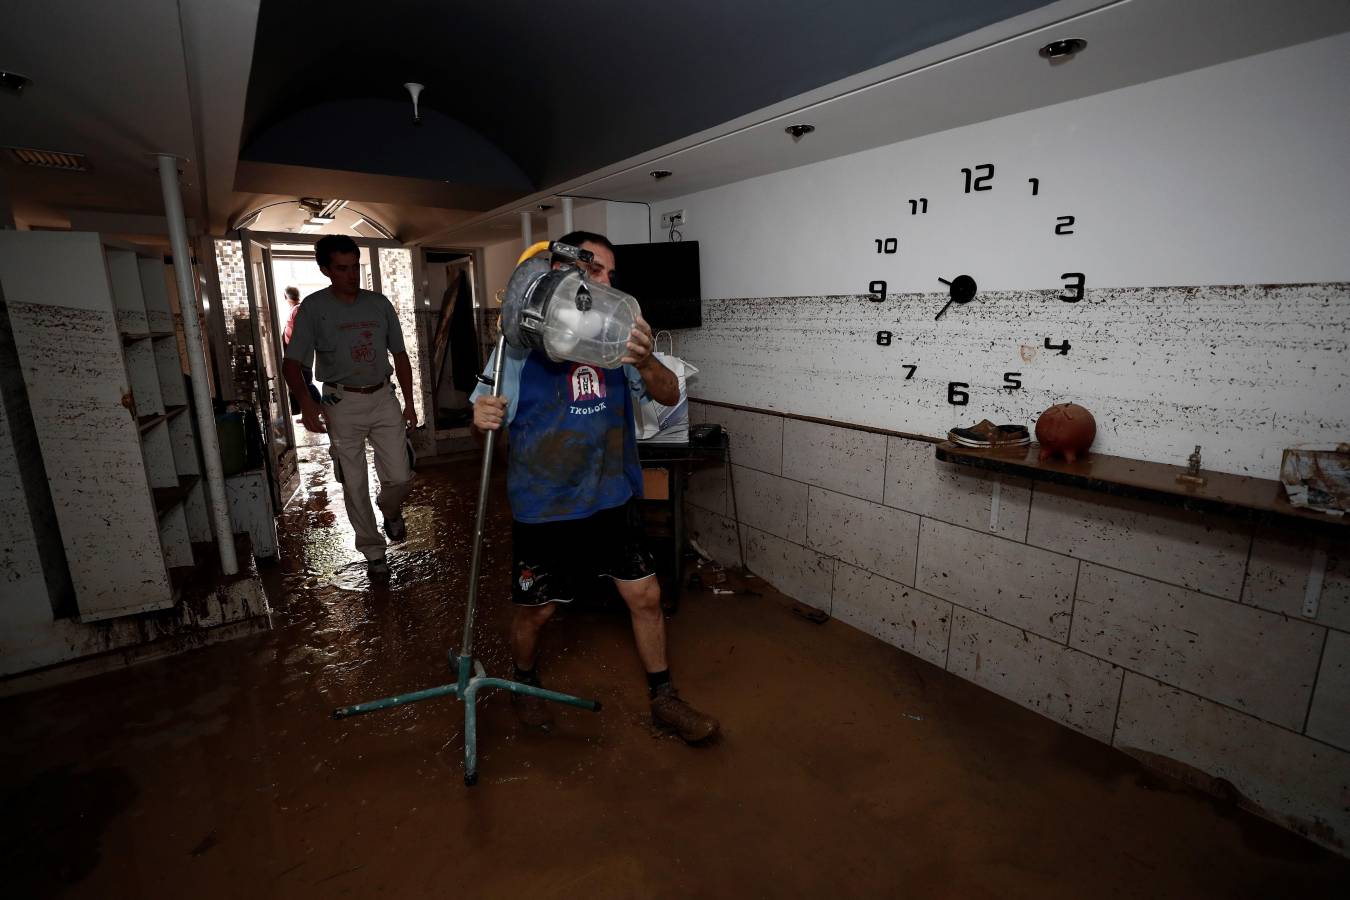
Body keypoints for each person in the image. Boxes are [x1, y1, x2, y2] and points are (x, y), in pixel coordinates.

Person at [471, 231, 719, 743]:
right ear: (564, 272)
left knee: (646, 596)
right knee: (537, 611)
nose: (608, 282)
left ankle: (664, 698)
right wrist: (483, 413)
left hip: (613, 495)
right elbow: (485, 409)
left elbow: (669, 394)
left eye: (611, 273)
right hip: (546, 505)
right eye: (597, 271)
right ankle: (525, 682)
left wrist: (647, 359)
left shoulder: (615, 340)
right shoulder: (517, 348)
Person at [283, 235, 418, 580]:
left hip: (383, 396)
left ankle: (389, 510)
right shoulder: (313, 309)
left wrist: (410, 403)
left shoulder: (379, 304)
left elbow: (400, 356)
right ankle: (374, 553)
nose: (351, 275)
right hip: (340, 402)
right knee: (353, 482)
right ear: (326, 270)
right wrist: (307, 403)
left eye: (355, 267)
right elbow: (291, 363)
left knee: (401, 477)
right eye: (342, 269)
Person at [282, 286, 321, 412]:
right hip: (298, 357)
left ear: (285, 297)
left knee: (305, 385)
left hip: (299, 358)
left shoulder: (298, 310)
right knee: (303, 385)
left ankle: (320, 409)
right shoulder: (296, 309)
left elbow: (302, 334)